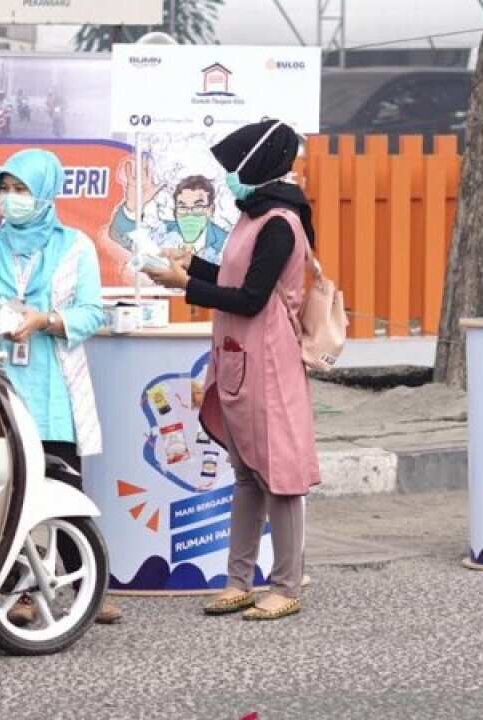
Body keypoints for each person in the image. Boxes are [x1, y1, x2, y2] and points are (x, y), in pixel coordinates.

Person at [143, 119, 321, 621]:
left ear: (258, 164)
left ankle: (285, 584)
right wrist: (192, 266)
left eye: (235, 166)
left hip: (269, 360)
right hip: (240, 357)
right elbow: (232, 277)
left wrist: (185, 284)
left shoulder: (280, 222)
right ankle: (238, 580)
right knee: (246, 473)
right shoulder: (253, 216)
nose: (230, 177)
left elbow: (249, 297)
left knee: (278, 476)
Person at [0, 148, 122, 626]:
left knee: (63, 484)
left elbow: (91, 312)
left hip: (55, 385)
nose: (11, 198)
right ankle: (16, 591)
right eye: (5, 188)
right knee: (6, 491)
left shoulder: (75, 246)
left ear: (45, 192)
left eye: (21, 189)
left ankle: (85, 582)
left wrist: (44, 319)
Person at [109, 173, 231, 263]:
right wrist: (133, 207)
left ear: (210, 210)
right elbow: (120, 235)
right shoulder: (163, 232)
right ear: (175, 212)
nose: (189, 214)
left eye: (197, 207)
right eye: (182, 207)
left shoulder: (226, 242)